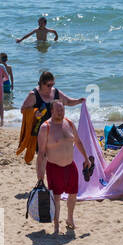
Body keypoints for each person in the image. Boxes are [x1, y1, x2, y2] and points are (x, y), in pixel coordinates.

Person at [37, 100, 88, 234]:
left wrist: (86, 158)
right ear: (52, 111)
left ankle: (70, 219)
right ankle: (56, 224)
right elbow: (41, 154)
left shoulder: (69, 123)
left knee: (73, 194)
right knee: (56, 197)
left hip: (70, 166)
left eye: (62, 109)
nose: (61, 112)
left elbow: (77, 142)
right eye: (58, 110)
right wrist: (40, 176)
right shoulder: (45, 127)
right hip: (54, 167)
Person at [20, 71, 85, 160]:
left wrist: (79, 101)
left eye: (52, 84)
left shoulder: (56, 92)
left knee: (56, 156)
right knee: (44, 157)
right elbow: (23, 109)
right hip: (40, 131)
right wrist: (35, 113)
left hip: (56, 129)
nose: (51, 87)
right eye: (48, 85)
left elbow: (68, 101)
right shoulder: (34, 95)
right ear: (42, 83)